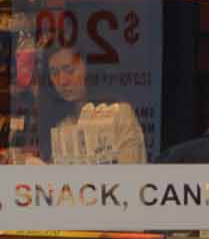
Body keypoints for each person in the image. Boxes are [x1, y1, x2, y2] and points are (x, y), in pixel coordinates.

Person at [9, 45, 146, 164]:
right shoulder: (57, 122)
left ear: (85, 68)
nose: (62, 81)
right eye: (54, 73)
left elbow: (131, 173)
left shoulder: (119, 113)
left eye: (69, 70)